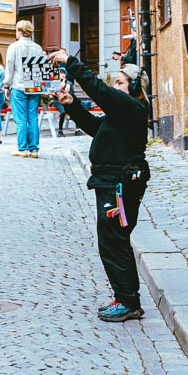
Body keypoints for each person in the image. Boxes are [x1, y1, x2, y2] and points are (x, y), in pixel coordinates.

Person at [50, 50, 151, 323]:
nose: (114, 86)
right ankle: (125, 297)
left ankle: (129, 302)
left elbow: (100, 91)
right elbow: (96, 128)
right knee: (112, 241)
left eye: (120, 82)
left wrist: (71, 62)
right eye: (115, 82)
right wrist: (71, 104)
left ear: (134, 88)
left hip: (120, 183)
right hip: (110, 181)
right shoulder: (120, 113)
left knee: (114, 241)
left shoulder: (132, 107)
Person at [5, 19, 45, 158]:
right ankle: (34, 149)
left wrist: (6, 85)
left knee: (21, 119)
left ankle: (22, 149)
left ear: (20, 31)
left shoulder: (14, 47)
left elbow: (10, 68)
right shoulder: (38, 48)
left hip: (18, 86)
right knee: (33, 118)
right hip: (33, 86)